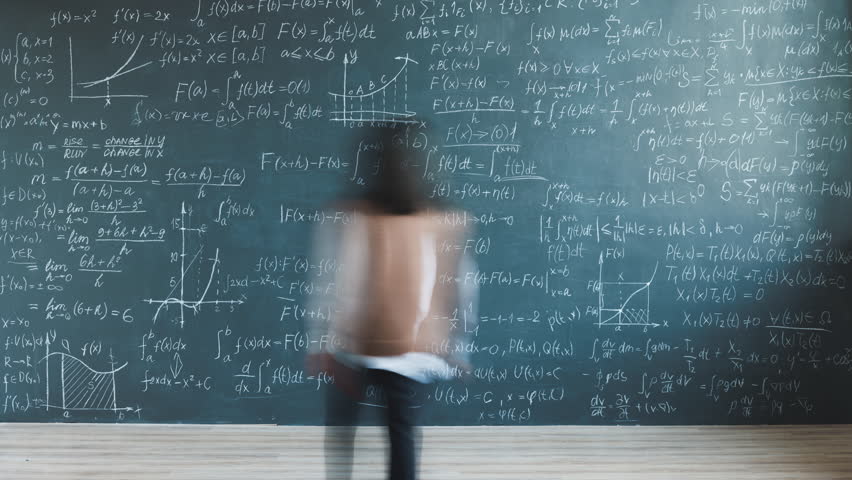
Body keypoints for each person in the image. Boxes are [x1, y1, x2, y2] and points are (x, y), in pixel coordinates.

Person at [306, 123, 477, 480]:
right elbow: (461, 287)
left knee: (342, 433)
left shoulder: (352, 215)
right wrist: (458, 347)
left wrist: (323, 341)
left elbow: (338, 284)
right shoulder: (445, 219)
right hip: (416, 350)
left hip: (356, 345)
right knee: (402, 435)